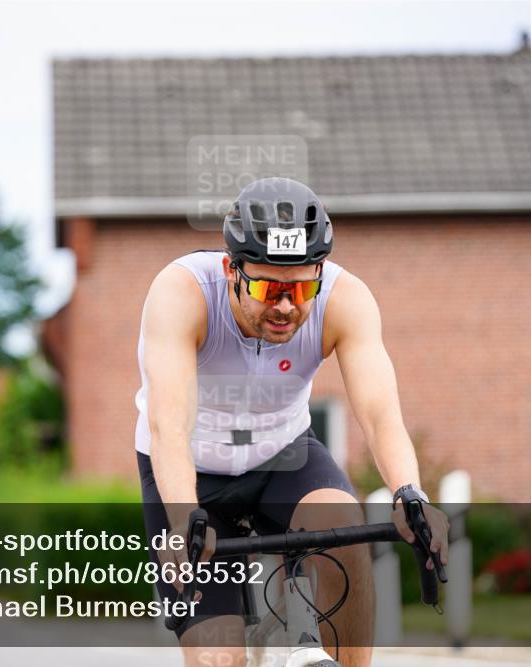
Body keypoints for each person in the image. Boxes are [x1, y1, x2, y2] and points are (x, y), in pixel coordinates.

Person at [135, 177, 449, 667]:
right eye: (268, 287)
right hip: (189, 471)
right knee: (219, 658)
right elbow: (168, 426)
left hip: (284, 454)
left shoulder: (346, 300)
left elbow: (380, 413)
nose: (286, 306)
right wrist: (182, 520)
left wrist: (411, 492)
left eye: (302, 288)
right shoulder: (182, 292)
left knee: (343, 524)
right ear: (230, 269)